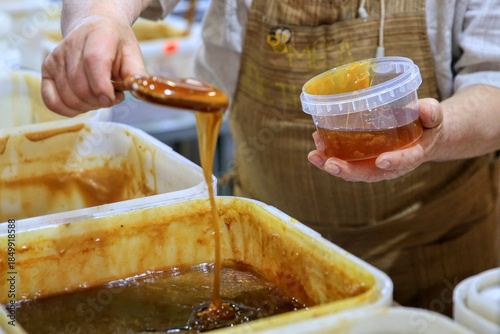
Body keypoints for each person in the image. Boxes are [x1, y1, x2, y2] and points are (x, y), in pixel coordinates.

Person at [41, 0, 500, 315]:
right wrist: (96, 20)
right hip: (264, 260)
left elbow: (493, 84)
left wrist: (437, 135)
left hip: (434, 260)